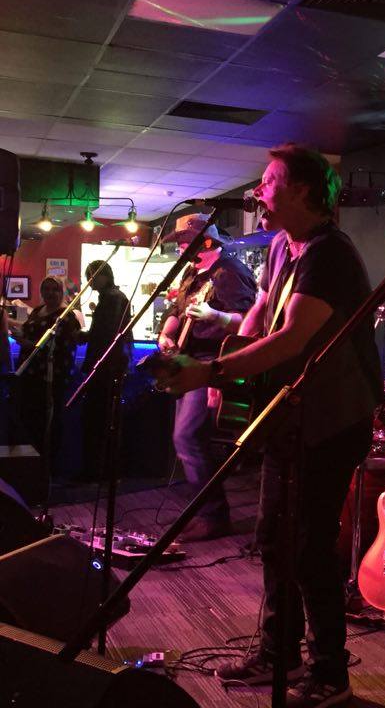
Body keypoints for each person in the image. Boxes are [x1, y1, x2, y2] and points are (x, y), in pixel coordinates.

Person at [156, 143, 382, 708]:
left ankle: (330, 672)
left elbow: (291, 339)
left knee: (308, 546)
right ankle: (279, 652)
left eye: (268, 181)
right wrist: (228, 364)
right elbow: (261, 313)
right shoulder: (283, 245)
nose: (257, 192)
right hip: (291, 412)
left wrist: (211, 369)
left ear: (301, 190)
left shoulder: (330, 255)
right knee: (273, 537)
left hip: (333, 420)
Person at [157, 217, 257, 541]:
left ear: (208, 243)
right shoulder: (193, 274)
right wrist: (165, 334)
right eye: (180, 244)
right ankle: (206, 512)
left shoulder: (230, 272)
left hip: (212, 363)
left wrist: (215, 315)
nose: (181, 249)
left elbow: (250, 322)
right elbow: (176, 311)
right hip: (189, 359)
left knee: (187, 437)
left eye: (187, 243)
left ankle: (213, 516)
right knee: (191, 440)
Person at [11, 276, 80, 465]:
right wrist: (19, 333)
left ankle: (48, 465)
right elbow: (29, 330)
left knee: (48, 421)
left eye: (54, 289)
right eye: (46, 289)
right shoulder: (38, 310)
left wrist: (27, 343)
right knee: (28, 417)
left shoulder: (66, 316)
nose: (50, 293)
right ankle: (31, 463)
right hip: (29, 373)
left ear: (61, 292)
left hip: (50, 377)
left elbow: (62, 348)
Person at [77, 261, 131, 483]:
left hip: (106, 369)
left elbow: (106, 335)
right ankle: (101, 472)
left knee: (99, 420)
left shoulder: (112, 298)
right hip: (107, 367)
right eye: (88, 276)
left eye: (93, 275)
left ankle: (97, 473)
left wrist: (83, 336)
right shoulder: (111, 297)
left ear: (106, 275)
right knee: (101, 419)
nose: (90, 280)